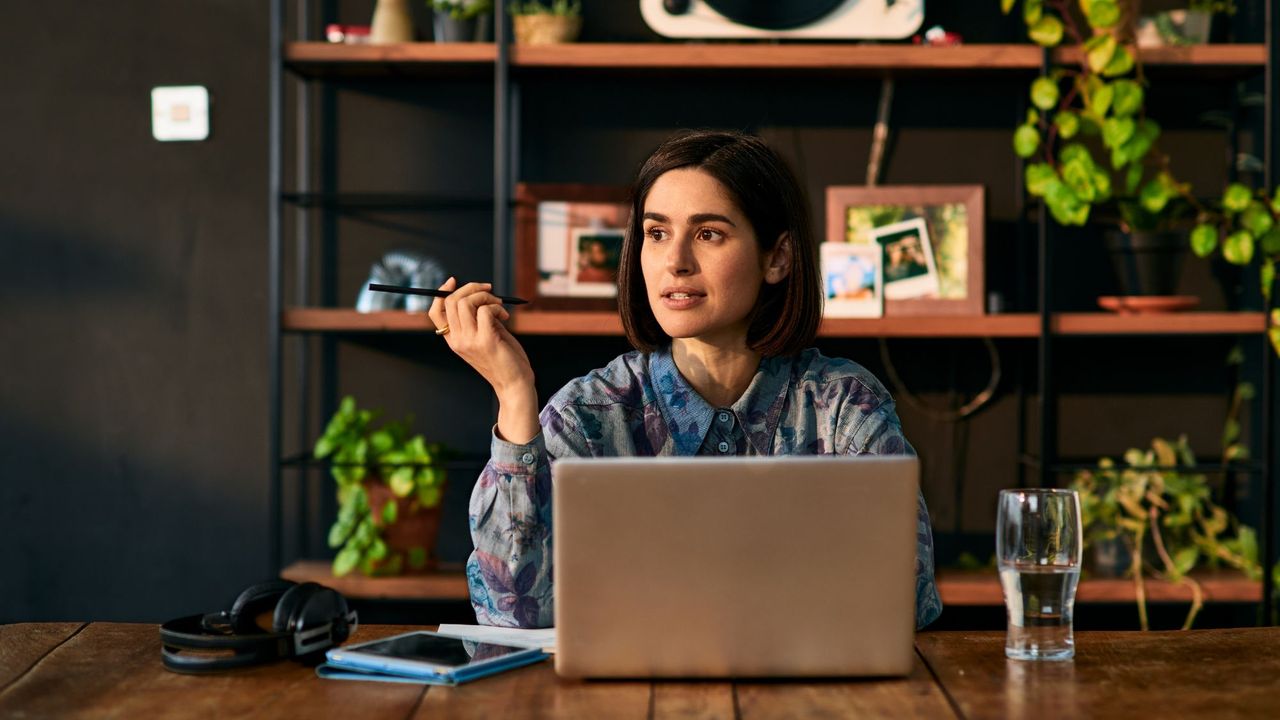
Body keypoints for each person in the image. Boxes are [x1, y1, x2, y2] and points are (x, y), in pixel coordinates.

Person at [428, 130, 943, 631]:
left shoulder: (843, 405)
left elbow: (906, 598)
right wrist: (513, 395)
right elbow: (513, 610)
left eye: (708, 234)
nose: (675, 262)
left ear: (777, 258)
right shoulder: (588, 414)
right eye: (657, 234)